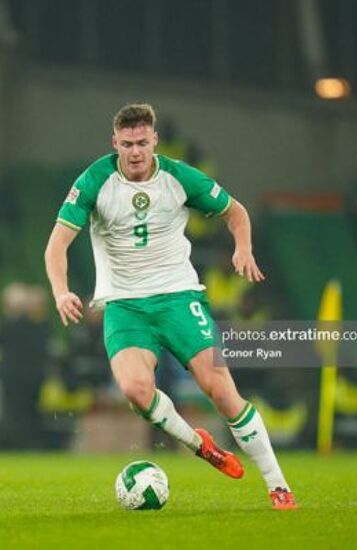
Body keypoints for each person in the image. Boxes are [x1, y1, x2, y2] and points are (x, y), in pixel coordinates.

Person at [43, 104, 296, 510]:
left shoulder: (179, 177)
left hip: (179, 297)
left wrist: (243, 249)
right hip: (125, 305)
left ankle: (278, 485)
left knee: (221, 391)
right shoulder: (95, 180)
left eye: (142, 142)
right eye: (127, 144)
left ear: (155, 141)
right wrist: (60, 291)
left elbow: (236, 212)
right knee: (134, 389)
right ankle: (202, 446)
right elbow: (57, 244)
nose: (135, 152)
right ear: (115, 144)